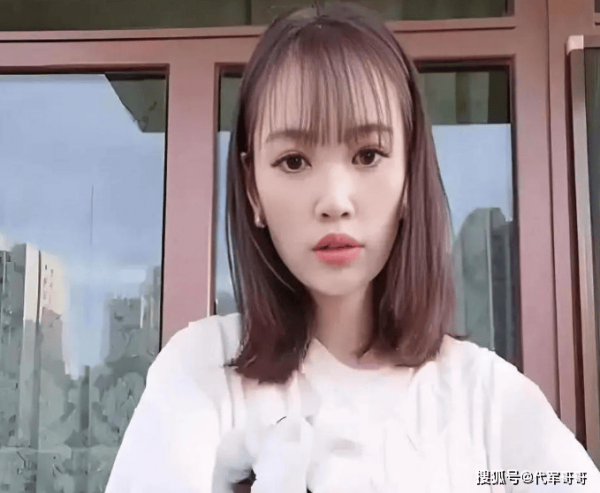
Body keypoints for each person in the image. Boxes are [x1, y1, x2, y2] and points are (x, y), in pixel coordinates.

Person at [105, 2, 600, 492]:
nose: (335, 201)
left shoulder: (489, 400)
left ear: (409, 176)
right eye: (294, 161)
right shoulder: (202, 370)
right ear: (253, 190)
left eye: (368, 155)